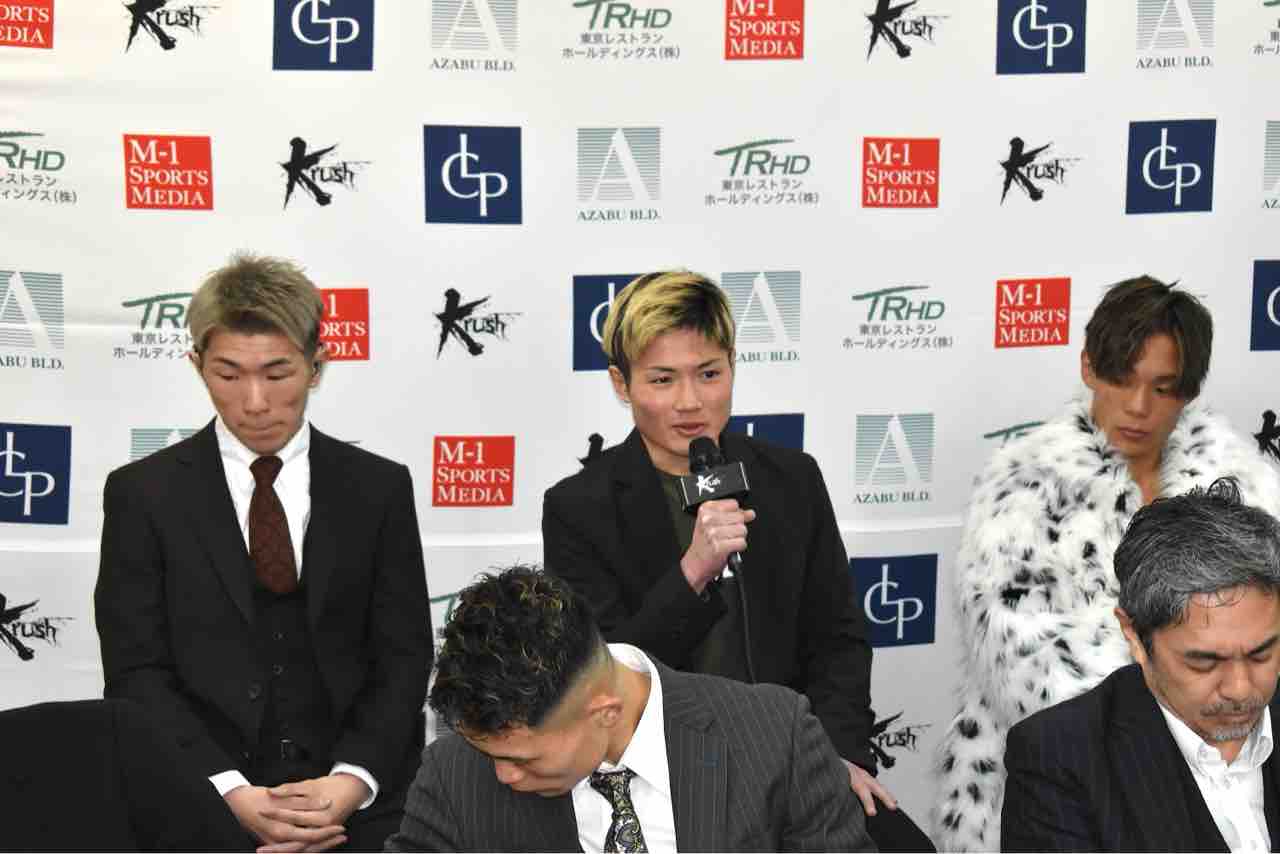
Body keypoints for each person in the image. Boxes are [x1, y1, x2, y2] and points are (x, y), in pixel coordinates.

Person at [542, 270, 931, 851]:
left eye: (709, 374)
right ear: (622, 383)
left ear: (732, 368)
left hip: (794, 759)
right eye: (663, 379)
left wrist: (835, 756)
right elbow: (603, 681)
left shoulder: (791, 480)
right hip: (663, 773)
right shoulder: (579, 508)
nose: (690, 402)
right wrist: (692, 573)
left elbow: (837, 639)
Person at [94, 253, 431, 852]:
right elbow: (136, 672)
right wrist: (227, 791)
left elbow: (402, 657)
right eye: (228, 375)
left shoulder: (378, 488)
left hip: (361, 812)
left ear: (317, 365)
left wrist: (349, 784)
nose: (254, 402)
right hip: (195, 804)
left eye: (278, 374)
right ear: (196, 365)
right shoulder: (142, 495)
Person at [934, 275, 1280, 851]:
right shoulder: (1022, 491)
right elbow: (1026, 673)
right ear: (1089, 368)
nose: (1139, 407)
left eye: (1163, 388)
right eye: (1122, 380)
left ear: (1189, 392)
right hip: (1076, 790)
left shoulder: (1245, 482)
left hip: (1233, 756)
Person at [385, 565, 874, 852]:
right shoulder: (454, 774)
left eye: (522, 759)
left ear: (605, 712)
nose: (503, 776)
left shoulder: (776, 737)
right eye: (489, 752)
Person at [1002, 478, 1280, 852]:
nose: (1240, 688)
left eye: (1262, 654)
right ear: (1134, 636)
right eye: (1204, 663)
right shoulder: (1058, 760)